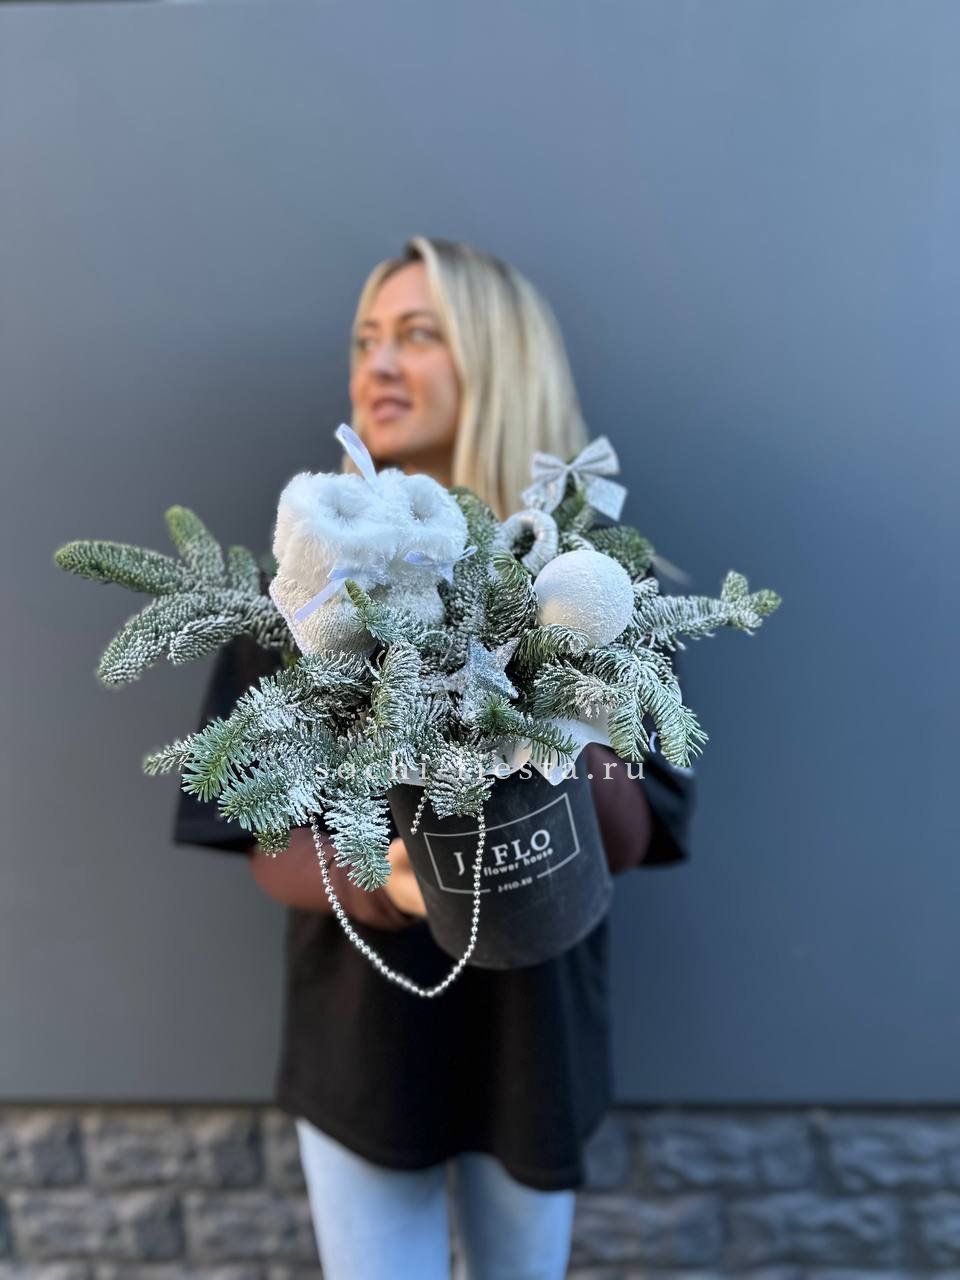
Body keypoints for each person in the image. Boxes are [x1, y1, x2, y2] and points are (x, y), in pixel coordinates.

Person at [174, 236, 697, 1280]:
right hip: (365, 1048)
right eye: (366, 338)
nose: (377, 363)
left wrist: (564, 676)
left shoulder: (591, 578)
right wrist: (386, 884)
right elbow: (259, 836)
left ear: (498, 360)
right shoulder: (308, 588)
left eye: (418, 335)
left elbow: (632, 838)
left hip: (534, 1045)